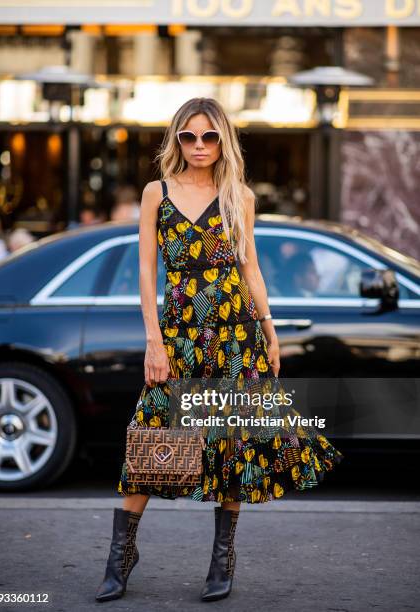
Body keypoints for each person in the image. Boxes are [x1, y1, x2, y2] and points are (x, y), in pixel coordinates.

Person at [95, 97, 344, 604]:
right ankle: (121, 555)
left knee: (233, 445)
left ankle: (221, 560)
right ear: (176, 140)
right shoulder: (155, 193)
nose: (200, 146)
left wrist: (270, 331)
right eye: (190, 137)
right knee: (154, 438)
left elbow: (250, 269)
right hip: (180, 338)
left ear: (223, 140)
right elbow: (146, 273)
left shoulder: (239, 196)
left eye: (210, 136)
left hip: (236, 338)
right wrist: (153, 341)